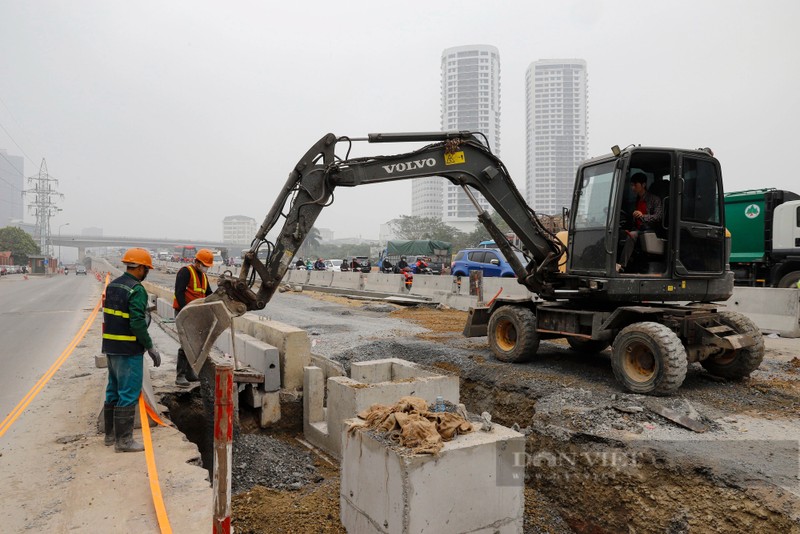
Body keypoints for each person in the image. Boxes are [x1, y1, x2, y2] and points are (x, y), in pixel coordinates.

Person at [102, 248, 161, 453]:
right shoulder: (137, 289)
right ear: (141, 268)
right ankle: (124, 442)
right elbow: (137, 322)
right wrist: (150, 346)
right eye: (147, 269)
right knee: (128, 392)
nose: (147, 272)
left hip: (111, 347)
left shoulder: (113, 285)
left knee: (113, 390)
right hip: (128, 349)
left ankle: (110, 436)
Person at [172, 248, 214, 387]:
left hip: (196, 314)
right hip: (184, 313)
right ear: (197, 262)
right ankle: (180, 375)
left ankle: (190, 373)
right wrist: (186, 311)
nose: (206, 268)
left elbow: (208, 294)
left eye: (207, 266)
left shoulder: (203, 276)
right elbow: (179, 292)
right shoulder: (185, 272)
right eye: (204, 265)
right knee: (186, 343)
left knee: (194, 344)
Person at [617, 173, 663, 272]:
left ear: (643, 185)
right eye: (632, 185)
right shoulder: (636, 200)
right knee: (619, 233)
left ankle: (621, 265)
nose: (633, 188)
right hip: (637, 229)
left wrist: (643, 216)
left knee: (632, 235)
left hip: (649, 230)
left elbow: (658, 217)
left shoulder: (654, 199)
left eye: (635, 185)